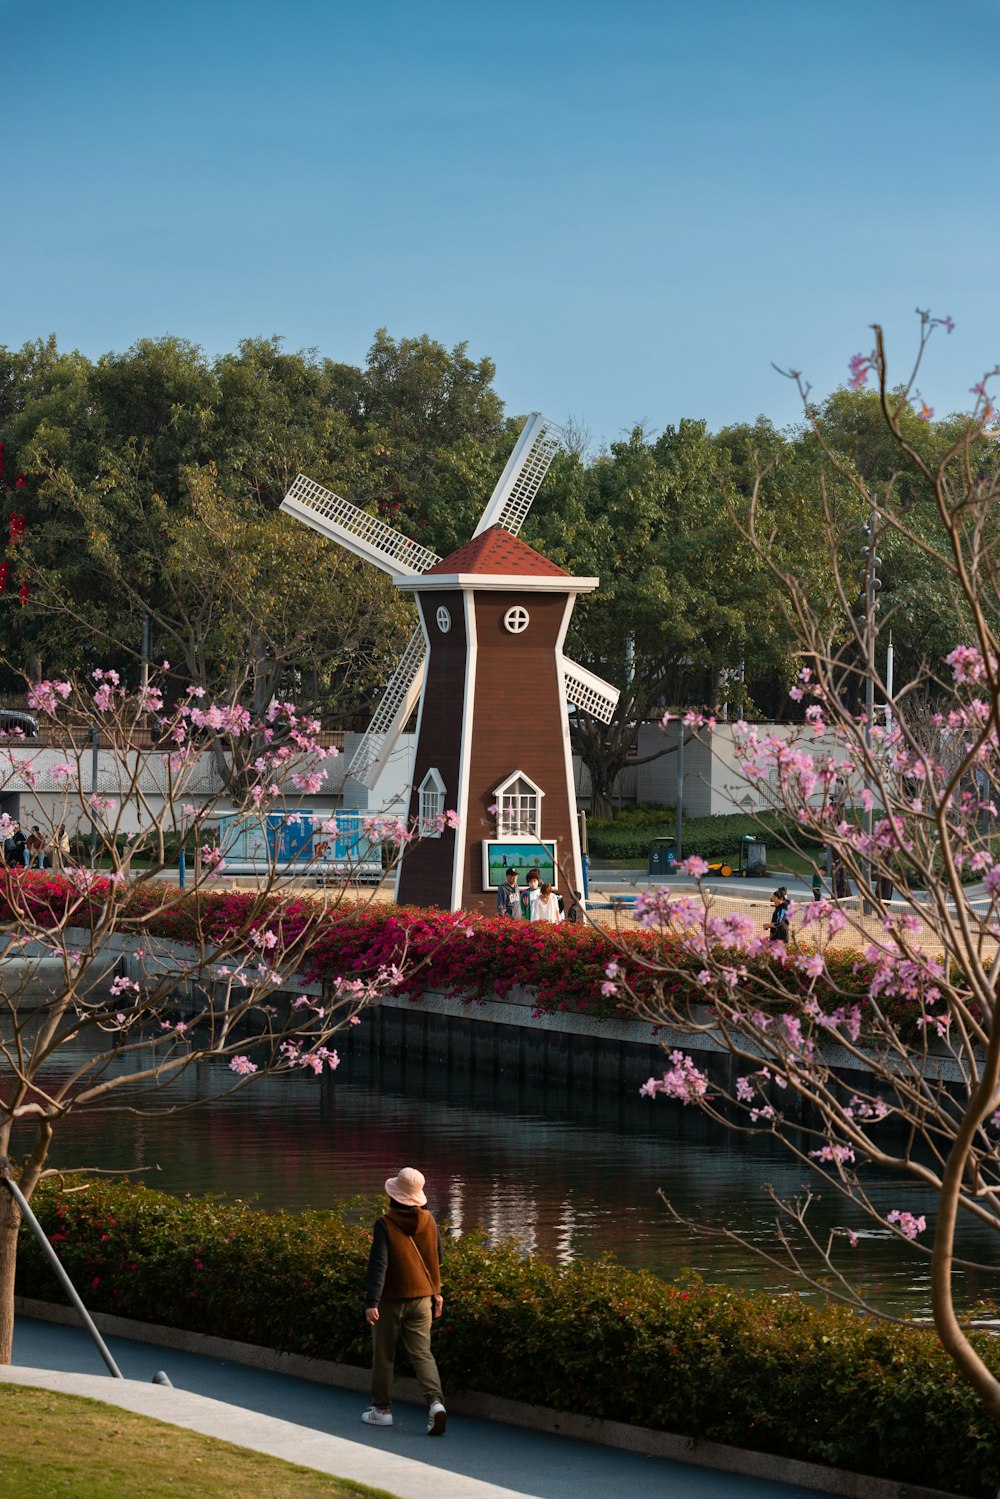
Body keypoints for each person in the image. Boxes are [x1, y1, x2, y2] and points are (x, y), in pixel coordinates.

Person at [363, 1167, 447, 1437]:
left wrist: (372, 1301)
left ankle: (382, 1410)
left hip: (390, 1300)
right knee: (422, 1353)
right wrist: (435, 1292)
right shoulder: (430, 1221)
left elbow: (379, 1265)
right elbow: (438, 1258)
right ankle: (435, 1404)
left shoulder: (384, 1223)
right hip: (423, 1299)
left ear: (394, 1196)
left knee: (384, 1354)